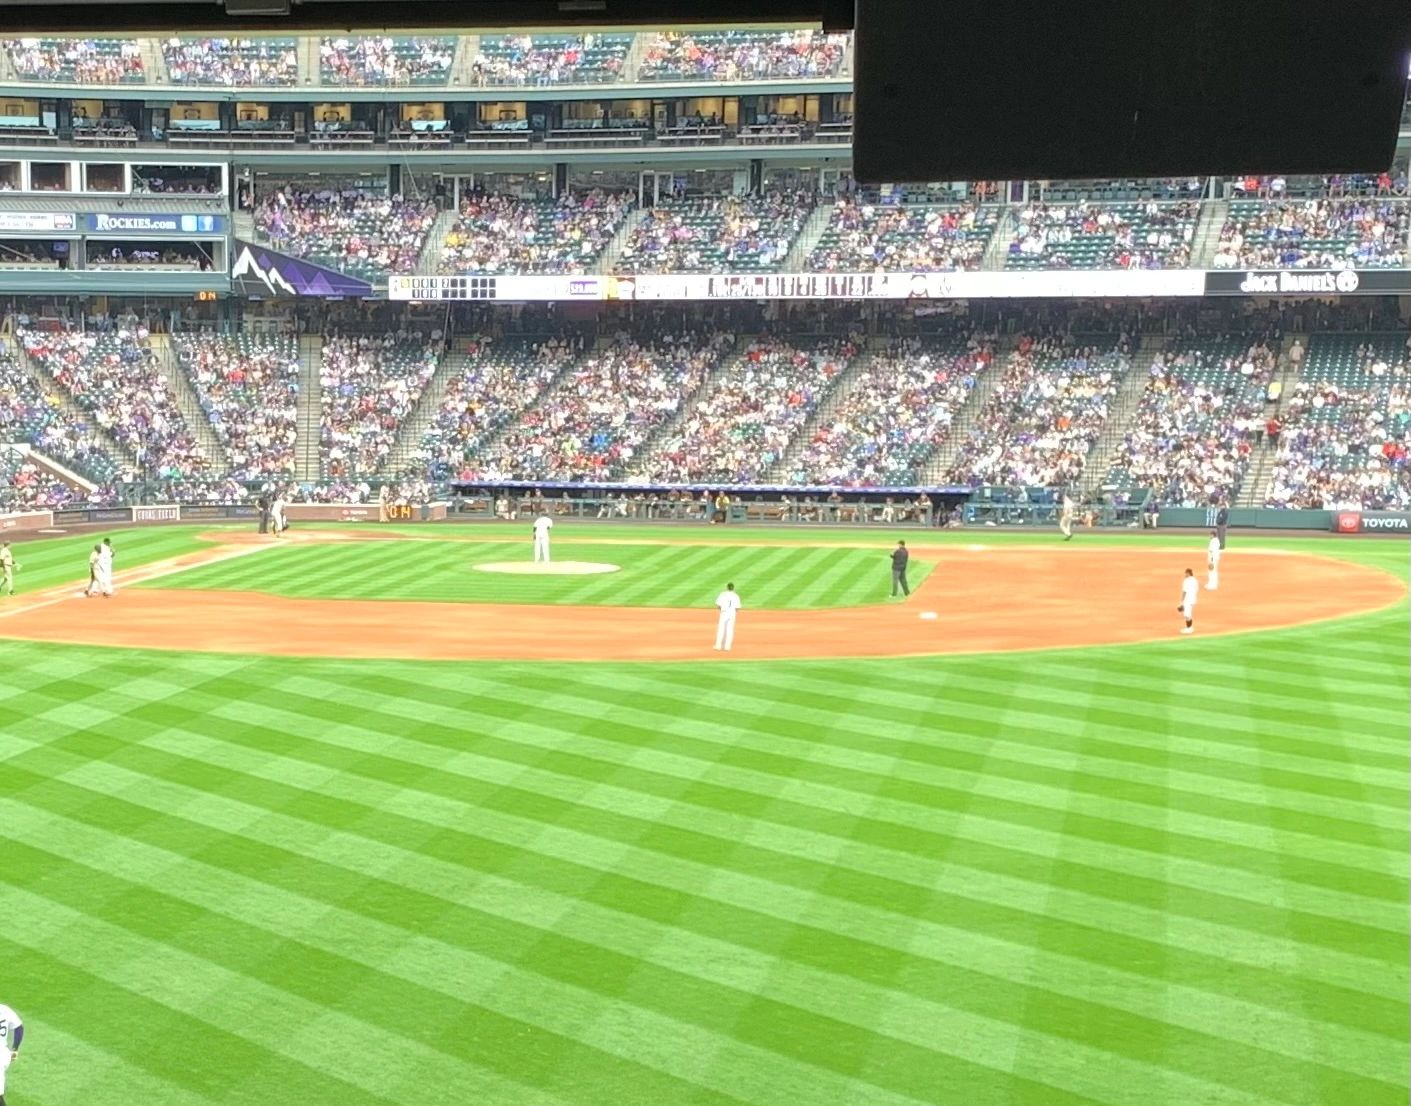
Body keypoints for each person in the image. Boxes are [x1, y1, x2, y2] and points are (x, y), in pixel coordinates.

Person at [714, 581, 741, 651]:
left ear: (727, 587)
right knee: (730, 630)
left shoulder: (723, 594)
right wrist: (733, 613)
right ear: (733, 588)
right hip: (732, 613)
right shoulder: (736, 596)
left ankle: (718, 646)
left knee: (721, 629)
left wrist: (721, 610)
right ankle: (727, 647)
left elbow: (718, 605)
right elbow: (737, 608)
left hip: (724, 612)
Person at [1178, 567, 1199, 634]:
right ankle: (1190, 628)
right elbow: (1196, 590)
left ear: (1188, 573)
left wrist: (1181, 602)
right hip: (1193, 599)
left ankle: (1189, 628)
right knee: (1188, 614)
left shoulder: (1186, 581)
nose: (1185, 575)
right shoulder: (1195, 580)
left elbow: (1184, 592)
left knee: (1187, 614)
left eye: (1186, 573)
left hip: (1187, 599)